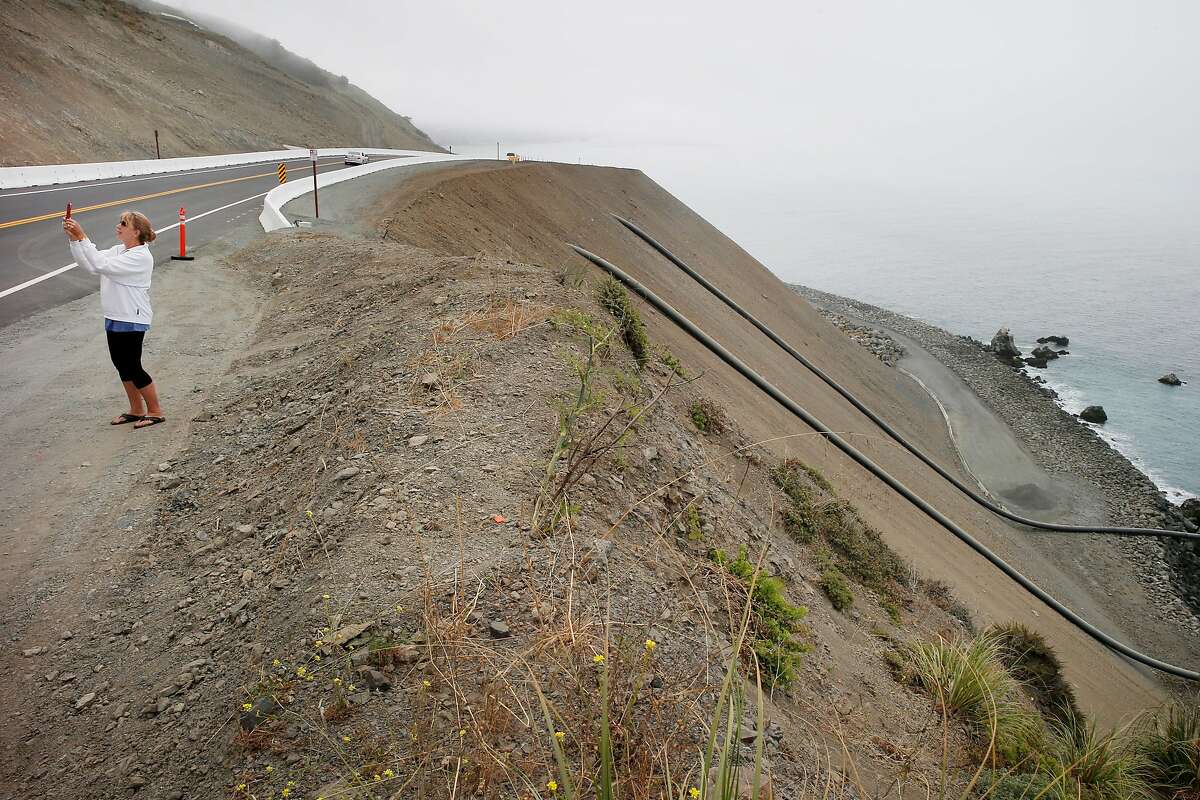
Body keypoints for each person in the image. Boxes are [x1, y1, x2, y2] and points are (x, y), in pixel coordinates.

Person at [62, 210, 166, 428]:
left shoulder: (140, 256)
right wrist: (75, 241)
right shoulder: (120, 250)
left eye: (123, 223)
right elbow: (90, 265)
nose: (118, 226)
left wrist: (83, 238)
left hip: (132, 317)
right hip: (114, 315)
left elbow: (100, 264)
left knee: (132, 366)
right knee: (121, 365)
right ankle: (137, 410)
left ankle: (155, 411)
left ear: (136, 231)